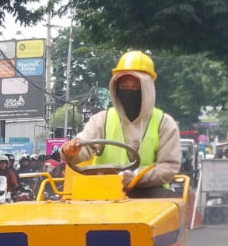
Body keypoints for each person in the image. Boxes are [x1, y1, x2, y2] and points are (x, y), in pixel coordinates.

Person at [60, 51, 182, 194]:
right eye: (124, 86)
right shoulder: (101, 119)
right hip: (101, 192)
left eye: (135, 87)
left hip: (148, 192)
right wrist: (71, 151)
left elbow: (168, 166)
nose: (129, 91)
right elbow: (84, 146)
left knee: (168, 203)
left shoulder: (164, 123)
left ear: (147, 88)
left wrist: (137, 177)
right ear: (116, 88)